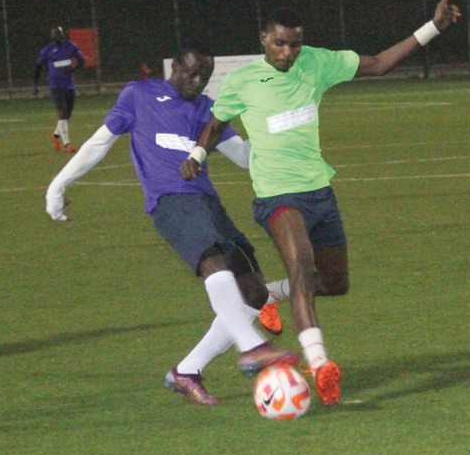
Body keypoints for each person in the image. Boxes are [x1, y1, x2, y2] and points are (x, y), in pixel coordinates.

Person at [180, 0, 462, 407]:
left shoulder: (317, 62)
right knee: (301, 264)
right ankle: (319, 363)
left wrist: (433, 27)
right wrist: (198, 153)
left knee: (333, 282)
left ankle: (269, 293)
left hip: (319, 192)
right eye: (279, 43)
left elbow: (379, 63)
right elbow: (216, 123)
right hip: (276, 194)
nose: (288, 52)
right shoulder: (241, 81)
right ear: (263, 39)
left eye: (294, 44)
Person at [45, 44, 294, 406]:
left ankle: (186, 371)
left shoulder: (207, 109)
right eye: (190, 73)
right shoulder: (139, 94)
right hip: (170, 201)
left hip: (208, 204)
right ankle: (253, 346)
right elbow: (100, 143)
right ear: (174, 67)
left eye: (204, 77)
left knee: (253, 293)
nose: (196, 82)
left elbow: (241, 156)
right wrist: (58, 184)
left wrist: (275, 134)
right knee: (213, 262)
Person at [34, 26, 85, 153]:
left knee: (67, 113)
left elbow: (81, 60)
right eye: (55, 34)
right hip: (55, 85)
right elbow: (38, 65)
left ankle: (55, 136)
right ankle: (67, 143)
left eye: (59, 34)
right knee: (62, 113)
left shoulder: (71, 46)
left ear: (63, 35)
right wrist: (35, 83)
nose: (57, 36)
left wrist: (73, 69)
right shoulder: (48, 49)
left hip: (68, 84)